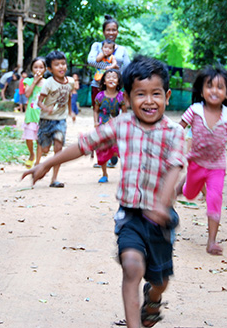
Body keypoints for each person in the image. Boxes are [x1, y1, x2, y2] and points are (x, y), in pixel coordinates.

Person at [21, 56, 185, 328]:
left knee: (160, 280)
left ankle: (153, 299)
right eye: (140, 94)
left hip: (161, 219)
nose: (148, 101)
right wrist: (47, 163)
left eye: (156, 94)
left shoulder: (175, 132)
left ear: (166, 96)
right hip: (131, 215)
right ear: (127, 99)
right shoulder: (122, 125)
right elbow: (85, 145)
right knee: (132, 266)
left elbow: (174, 168)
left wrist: (162, 203)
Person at [176, 66, 227, 256]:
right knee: (191, 194)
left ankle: (211, 241)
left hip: (217, 167)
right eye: (209, 86)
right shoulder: (195, 110)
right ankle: (183, 185)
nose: (214, 91)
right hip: (196, 164)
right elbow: (179, 128)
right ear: (201, 91)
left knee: (214, 199)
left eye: (220, 87)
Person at [36, 50, 76, 188]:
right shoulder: (48, 83)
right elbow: (39, 102)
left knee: (58, 147)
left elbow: (69, 96)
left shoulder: (70, 81)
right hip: (46, 120)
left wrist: (71, 111)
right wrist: (45, 108)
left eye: (63, 64)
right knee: (46, 149)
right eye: (57, 64)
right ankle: (40, 149)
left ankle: (54, 179)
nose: (61, 67)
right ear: (50, 69)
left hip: (60, 120)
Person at [87, 14, 131, 108]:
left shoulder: (122, 49)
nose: (111, 33)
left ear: (117, 32)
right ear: (103, 32)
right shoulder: (97, 46)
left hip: (116, 87)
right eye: (108, 30)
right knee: (98, 114)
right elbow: (90, 61)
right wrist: (111, 67)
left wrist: (117, 76)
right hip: (98, 85)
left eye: (114, 30)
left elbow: (128, 67)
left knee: (115, 115)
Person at [93, 69, 126, 183]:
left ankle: (124, 175)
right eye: (108, 77)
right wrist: (96, 122)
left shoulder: (121, 96)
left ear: (118, 81)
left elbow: (125, 113)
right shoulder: (100, 96)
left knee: (120, 151)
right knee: (102, 150)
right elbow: (96, 110)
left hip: (117, 129)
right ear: (104, 82)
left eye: (114, 77)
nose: (111, 79)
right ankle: (104, 174)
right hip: (102, 127)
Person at [22, 58, 47, 168]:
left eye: (41, 67)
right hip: (31, 115)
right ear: (32, 69)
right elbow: (27, 94)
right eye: (35, 67)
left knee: (40, 140)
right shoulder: (28, 81)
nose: (38, 70)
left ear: (45, 69)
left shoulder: (47, 83)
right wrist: (35, 82)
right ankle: (31, 154)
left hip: (42, 116)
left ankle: (38, 162)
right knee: (29, 138)